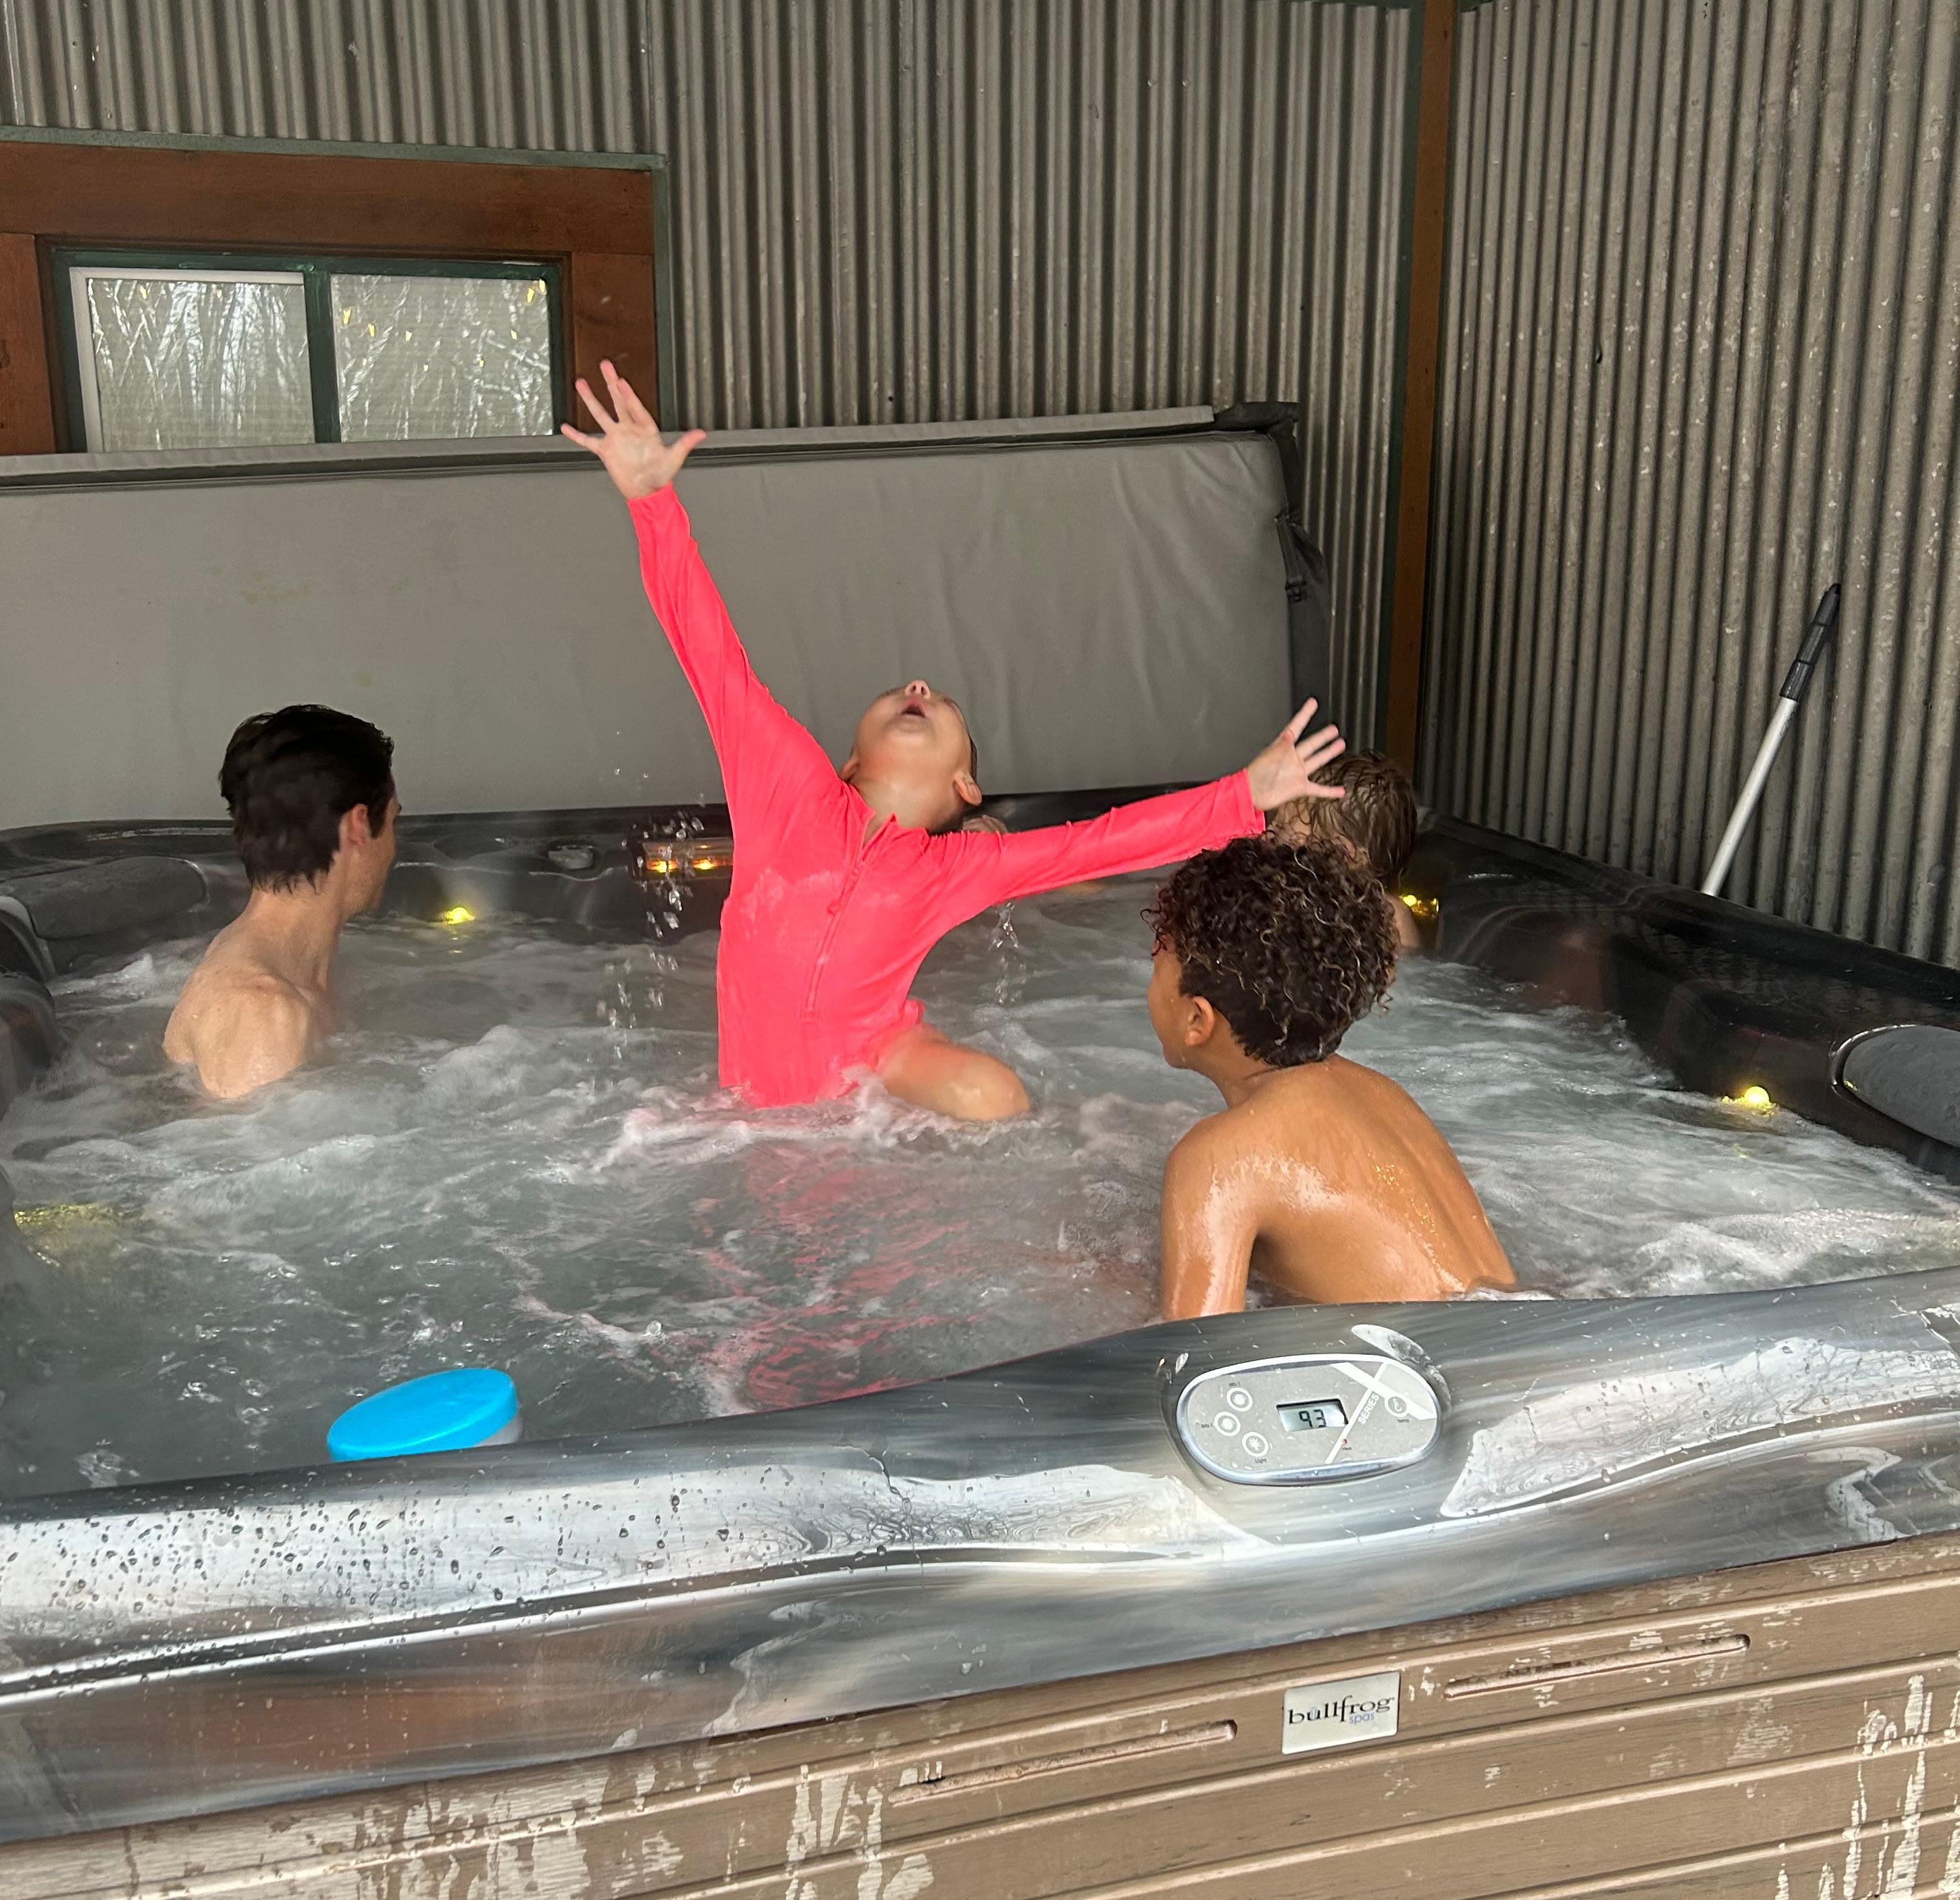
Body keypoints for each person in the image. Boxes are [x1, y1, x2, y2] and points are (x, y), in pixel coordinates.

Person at [562, 365, 1349, 1120]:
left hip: (874, 1061)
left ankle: (916, 1068)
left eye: (943, 702)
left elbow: (1098, 846)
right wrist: (653, 502)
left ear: (967, 789)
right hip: (759, 1099)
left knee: (994, 1096)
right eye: (905, 691)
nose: (918, 689)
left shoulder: (955, 869)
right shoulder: (786, 784)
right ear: (848, 760)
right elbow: (710, 654)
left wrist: (1245, 796)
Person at [1147, 831, 1512, 1311]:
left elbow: (1195, 1360)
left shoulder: (1218, 1159)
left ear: (1198, 1020)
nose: (1149, 989)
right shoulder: (1384, 1094)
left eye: (1155, 971)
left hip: (1429, 1379)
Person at [164, 704, 398, 1099]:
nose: (393, 849)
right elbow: (242, 1160)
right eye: (394, 822)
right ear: (359, 826)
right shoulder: (263, 1016)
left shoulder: (284, 972)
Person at [1284, 747, 1424, 951]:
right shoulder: (1296, 902)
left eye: (1286, 837)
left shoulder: (1390, 920)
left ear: (1346, 855)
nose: (1267, 835)